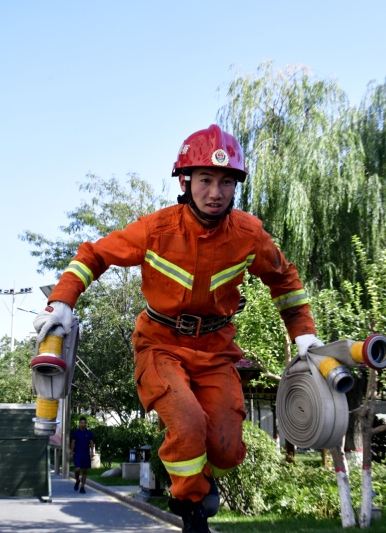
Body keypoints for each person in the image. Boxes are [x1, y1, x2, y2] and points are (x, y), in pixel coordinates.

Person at [34, 124, 322, 533]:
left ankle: (201, 482)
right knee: (187, 424)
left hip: (217, 349)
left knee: (226, 448)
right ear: (186, 181)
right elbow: (94, 254)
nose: (215, 192)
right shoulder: (156, 229)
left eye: (226, 182)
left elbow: (285, 282)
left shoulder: (249, 235)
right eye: (205, 180)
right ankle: (190, 511)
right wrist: (62, 300)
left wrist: (304, 335)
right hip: (160, 345)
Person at [70, 416, 94, 494]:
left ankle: (82, 487)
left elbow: (91, 442)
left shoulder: (89, 433)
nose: (83, 424)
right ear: (79, 424)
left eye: (84, 423)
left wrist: (92, 452)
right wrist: (71, 452)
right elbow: (73, 443)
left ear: (86, 424)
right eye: (81, 423)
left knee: (84, 470)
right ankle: (77, 480)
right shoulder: (76, 433)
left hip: (85, 453)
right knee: (77, 469)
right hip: (78, 453)